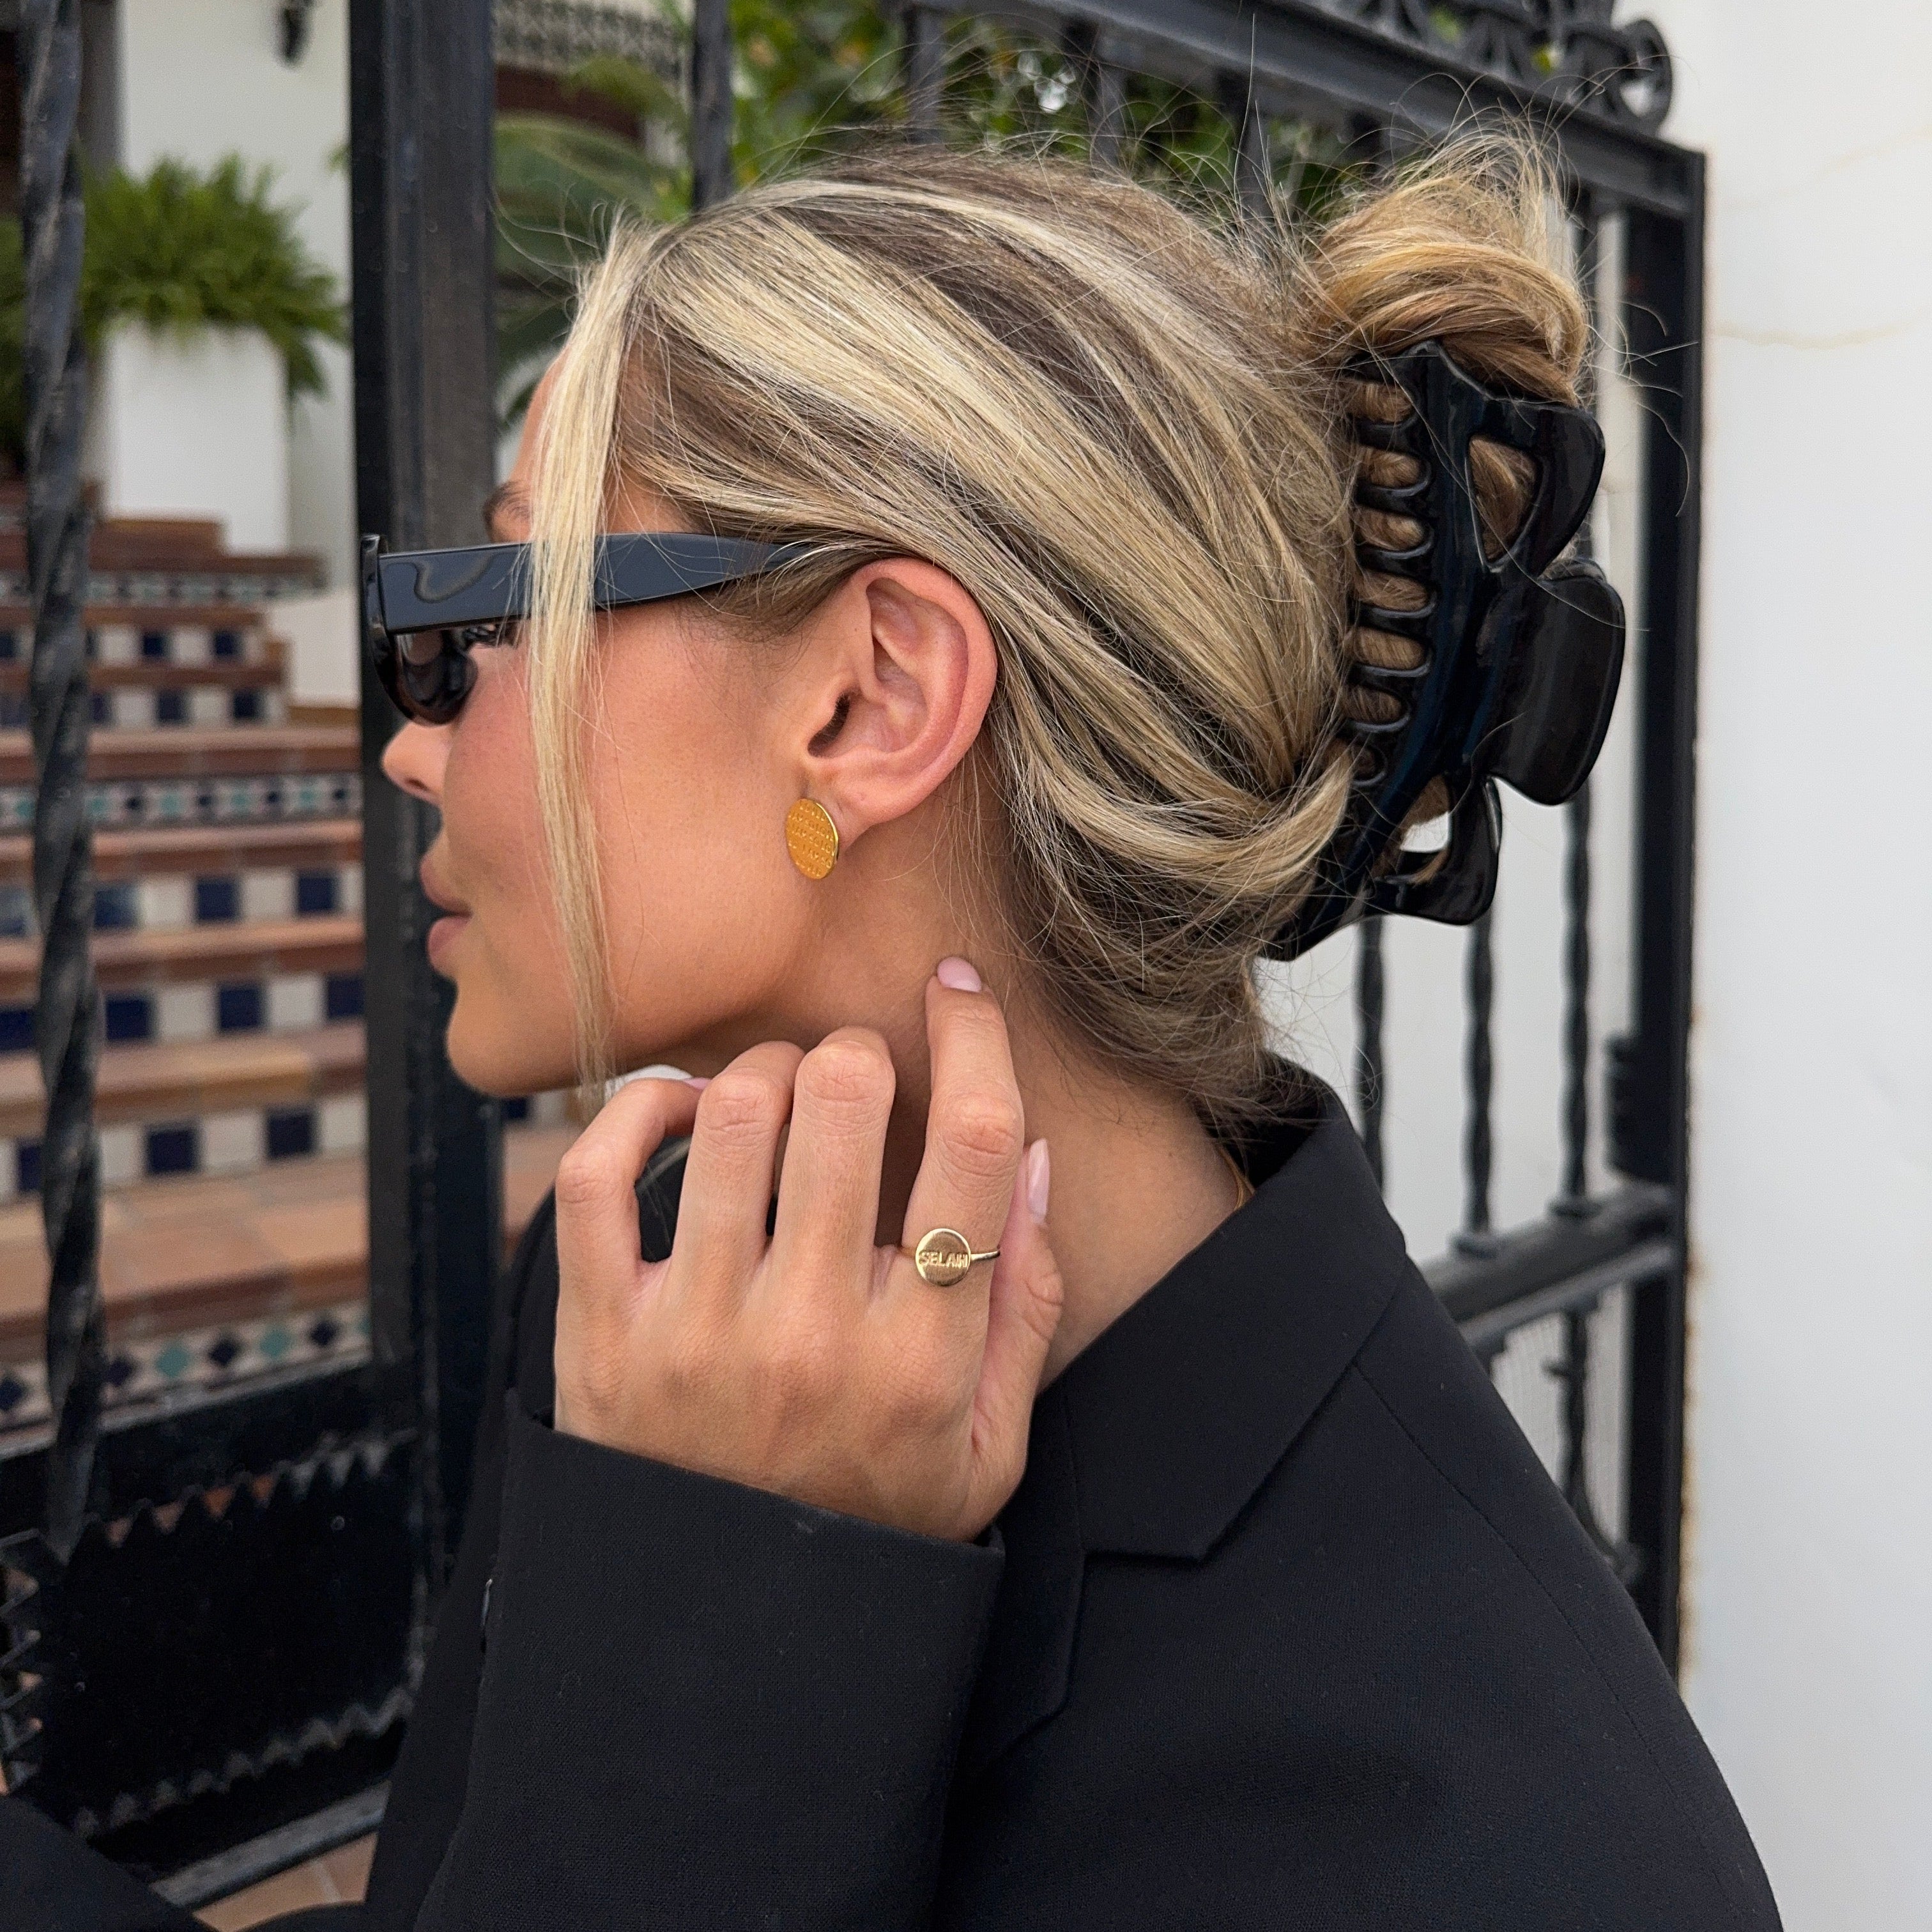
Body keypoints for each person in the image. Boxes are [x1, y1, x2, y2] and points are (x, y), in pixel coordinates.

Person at [5, 140, 1781, 1929]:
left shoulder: (1505, 1853)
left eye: (484, 614)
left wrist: (723, 1625)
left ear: (872, 698)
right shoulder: (666, 1289)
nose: (412, 737)